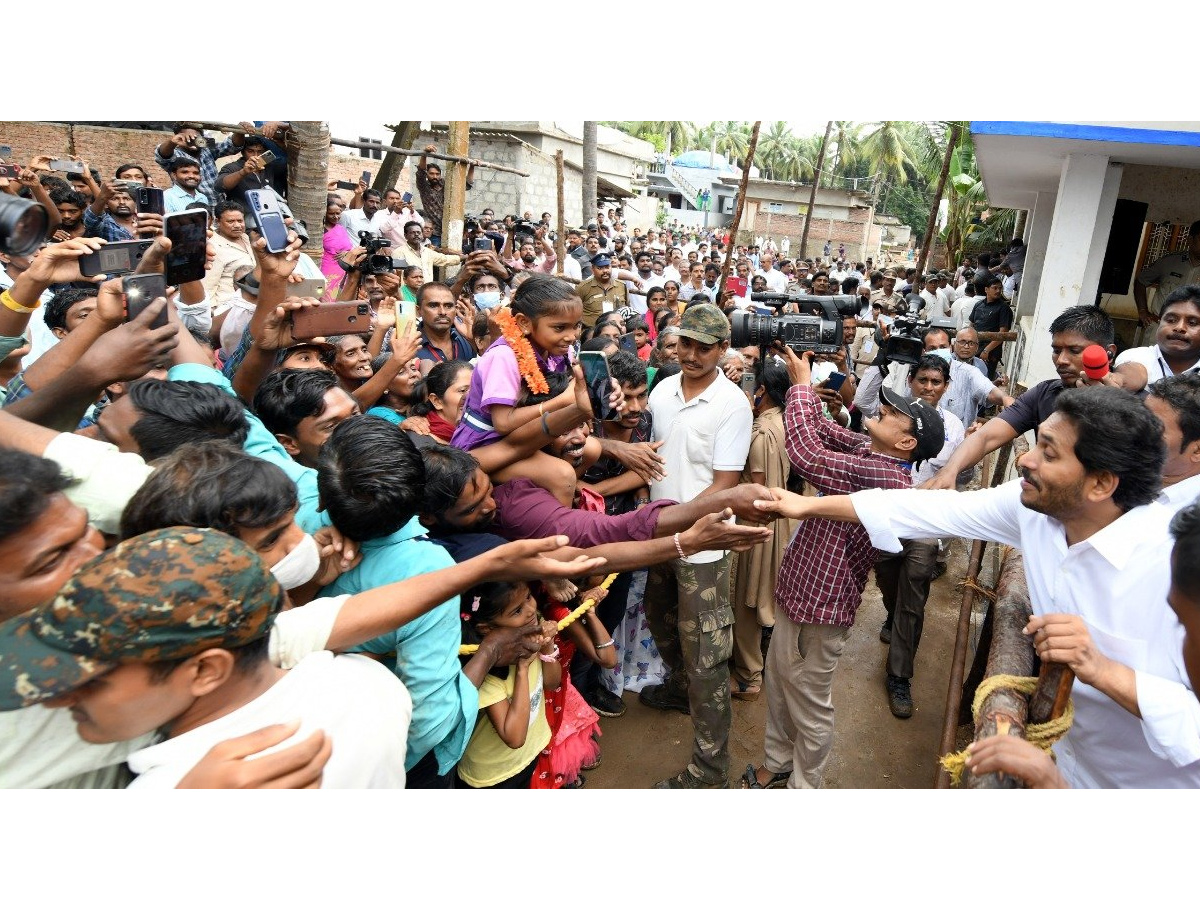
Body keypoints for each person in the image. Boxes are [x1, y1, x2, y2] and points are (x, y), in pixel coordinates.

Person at [756, 386, 1200, 789]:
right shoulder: (1034, 509)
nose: (1026, 459)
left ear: (1101, 483)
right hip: (1065, 766)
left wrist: (1104, 670)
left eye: (1049, 453)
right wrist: (805, 504)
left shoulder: (1177, 566)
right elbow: (923, 509)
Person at [0, 527, 412, 789]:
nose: (55, 698)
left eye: (89, 678)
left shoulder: (177, 793)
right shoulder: (371, 685)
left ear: (205, 670)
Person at [741, 348, 943, 790]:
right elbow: (828, 433)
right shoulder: (873, 451)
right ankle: (776, 764)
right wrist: (810, 396)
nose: (883, 410)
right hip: (802, 592)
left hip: (822, 606)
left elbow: (807, 453)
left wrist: (797, 386)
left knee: (809, 703)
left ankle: (803, 787)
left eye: (893, 415)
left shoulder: (883, 474)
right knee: (778, 684)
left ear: (906, 443)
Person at [639, 303, 754, 789]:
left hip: (701, 546)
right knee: (658, 616)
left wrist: (673, 525)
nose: (690, 354)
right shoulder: (663, 390)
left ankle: (709, 770)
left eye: (703, 347)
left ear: (722, 349)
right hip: (659, 534)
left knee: (707, 655)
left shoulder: (733, 405)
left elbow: (725, 483)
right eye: (685, 343)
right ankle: (679, 686)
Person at [923, 306, 1130, 491]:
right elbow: (986, 436)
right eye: (1056, 350)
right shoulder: (1043, 393)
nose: (1062, 360)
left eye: (1074, 350)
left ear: (1108, 353)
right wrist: (949, 471)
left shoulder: (1133, 407)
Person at [730, 357, 795, 701]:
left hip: (757, 525)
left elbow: (760, 490)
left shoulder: (762, 435)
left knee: (746, 604)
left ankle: (748, 676)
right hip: (781, 524)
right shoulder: (786, 422)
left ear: (762, 392)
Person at [455, 580, 560, 788]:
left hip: (527, 756)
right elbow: (514, 737)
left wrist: (548, 647)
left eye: (529, 597)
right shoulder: (487, 674)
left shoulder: (530, 632)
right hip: (491, 774)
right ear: (488, 629)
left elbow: (552, 682)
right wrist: (522, 670)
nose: (531, 610)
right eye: (517, 610)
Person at [1112, 286, 1200, 386]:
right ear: (1159, 321)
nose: (1179, 327)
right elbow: (1129, 373)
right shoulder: (1134, 357)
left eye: (1192, 323)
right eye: (1171, 320)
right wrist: (1123, 380)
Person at [1134, 220, 1200, 327]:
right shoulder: (1169, 262)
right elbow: (1141, 281)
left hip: (1192, 332)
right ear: (1190, 240)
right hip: (1160, 326)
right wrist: (1143, 311)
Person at [417, 144, 474, 242]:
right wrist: (424, 154)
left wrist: (472, 166)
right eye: (431, 174)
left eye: (437, 174)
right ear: (427, 175)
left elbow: (466, 185)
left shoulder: (446, 183)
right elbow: (421, 171)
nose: (435, 176)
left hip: (451, 231)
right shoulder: (424, 187)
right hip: (434, 232)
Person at [969, 274, 1015, 378]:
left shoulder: (1004, 308)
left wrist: (987, 350)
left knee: (985, 381)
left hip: (990, 353)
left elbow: (1003, 333)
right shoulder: (978, 305)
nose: (998, 291)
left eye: (1000, 288)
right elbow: (971, 326)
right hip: (974, 348)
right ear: (986, 289)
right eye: (995, 288)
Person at [575, 254, 630, 328]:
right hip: (592, 333)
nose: (605, 271)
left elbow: (627, 308)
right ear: (592, 269)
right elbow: (574, 311)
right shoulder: (583, 287)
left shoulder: (621, 286)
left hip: (616, 332)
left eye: (607, 267)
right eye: (600, 268)